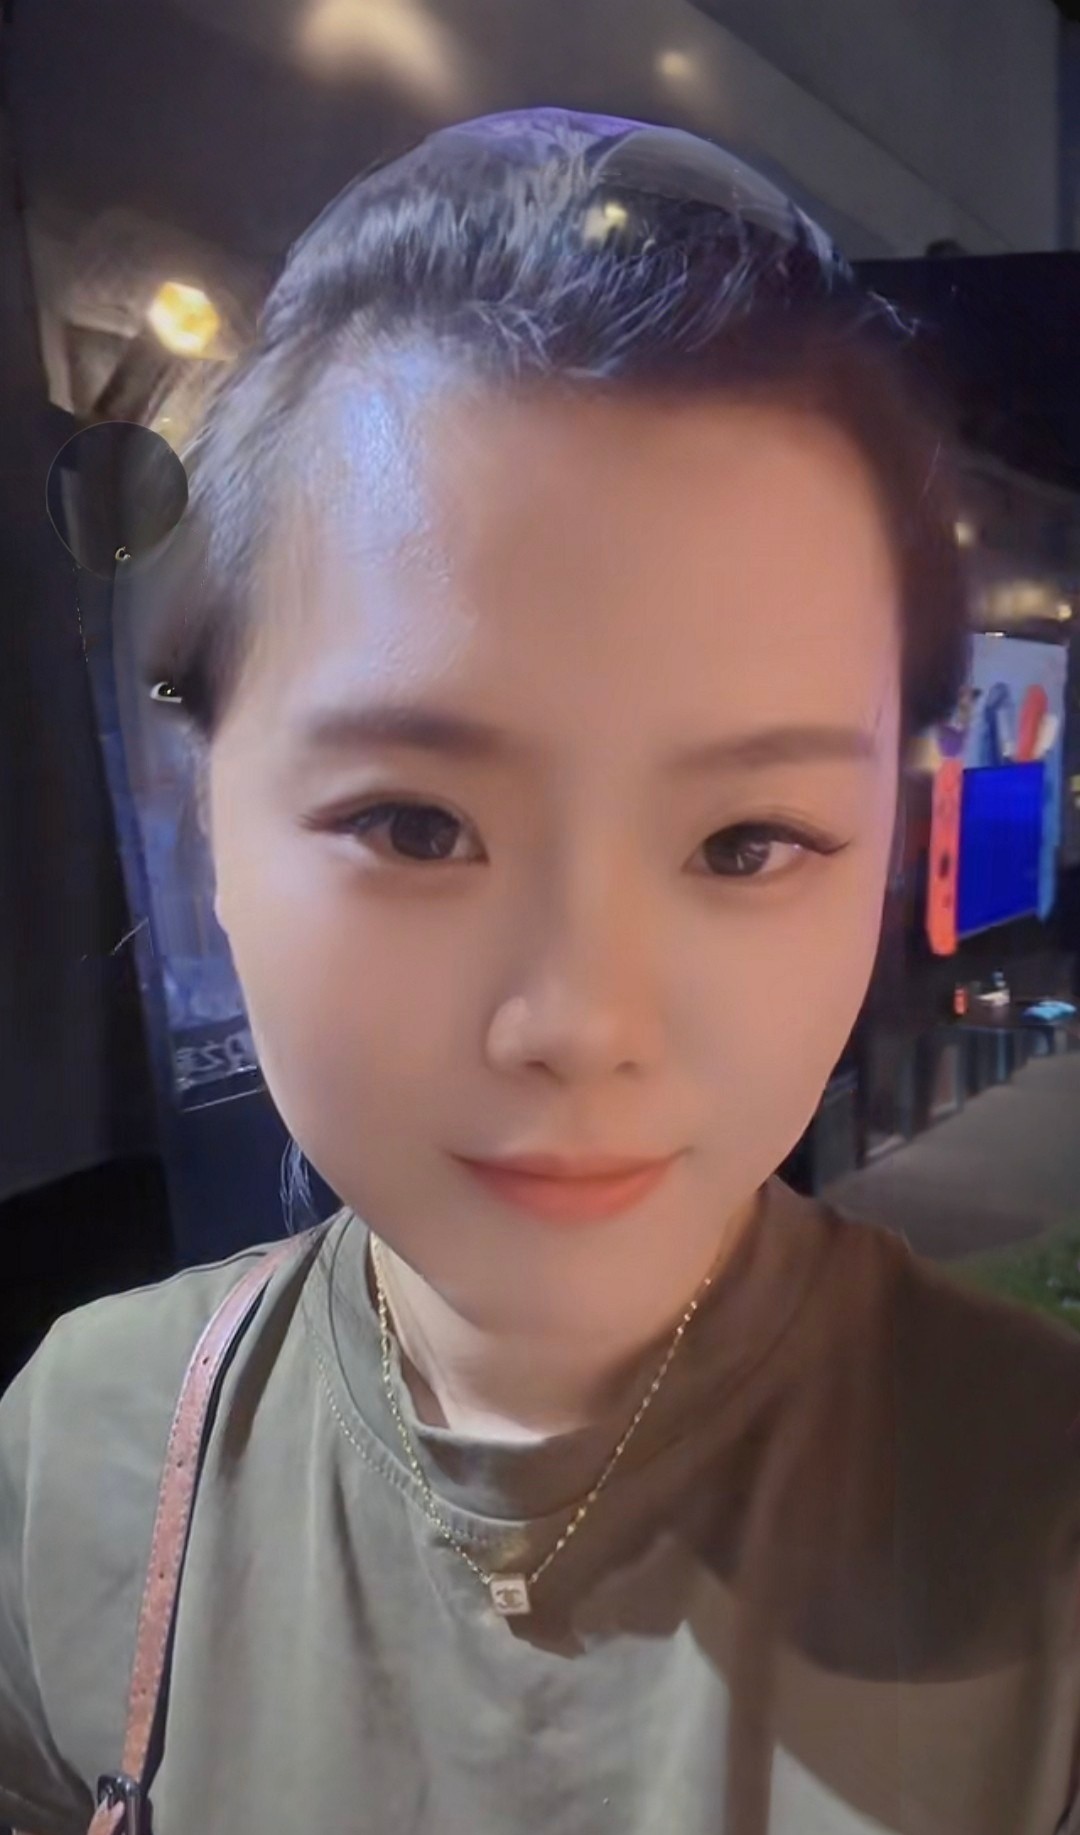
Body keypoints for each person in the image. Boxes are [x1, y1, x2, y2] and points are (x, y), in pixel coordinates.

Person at [3, 107, 1080, 1835]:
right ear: (209, 820)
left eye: (747, 843)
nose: (582, 1022)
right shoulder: (86, 1453)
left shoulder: (1039, 1525)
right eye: (416, 824)